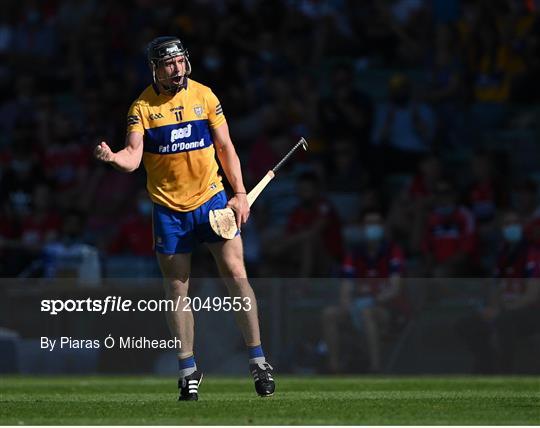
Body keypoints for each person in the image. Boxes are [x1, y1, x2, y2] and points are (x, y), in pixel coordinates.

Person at [94, 36, 274, 400]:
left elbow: (225, 147)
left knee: (237, 276)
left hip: (211, 200)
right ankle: (188, 369)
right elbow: (132, 155)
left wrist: (239, 194)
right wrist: (114, 159)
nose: (177, 68)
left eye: (180, 61)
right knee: (177, 288)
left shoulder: (205, 96)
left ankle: (258, 361)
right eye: (168, 63)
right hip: (169, 210)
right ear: (155, 68)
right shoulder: (142, 107)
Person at [322, 208, 409, 373]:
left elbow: (395, 289)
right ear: (362, 227)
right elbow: (345, 290)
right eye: (369, 223)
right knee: (330, 314)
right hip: (357, 308)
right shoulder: (354, 255)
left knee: (367, 312)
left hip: (388, 310)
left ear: (383, 226)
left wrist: (371, 302)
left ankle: (375, 368)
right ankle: (334, 367)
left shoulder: (393, 252)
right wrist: (349, 305)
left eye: (376, 223)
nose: (372, 226)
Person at [456, 210, 540, 373]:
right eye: (507, 224)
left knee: (504, 322)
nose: (512, 227)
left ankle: (506, 371)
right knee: (465, 324)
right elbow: (496, 290)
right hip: (505, 310)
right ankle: (486, 363)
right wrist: (492, 309)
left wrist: (501, 311)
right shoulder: (502, 255)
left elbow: (532, 296)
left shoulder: (533, 253)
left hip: (531, 311)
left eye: (516, 223)